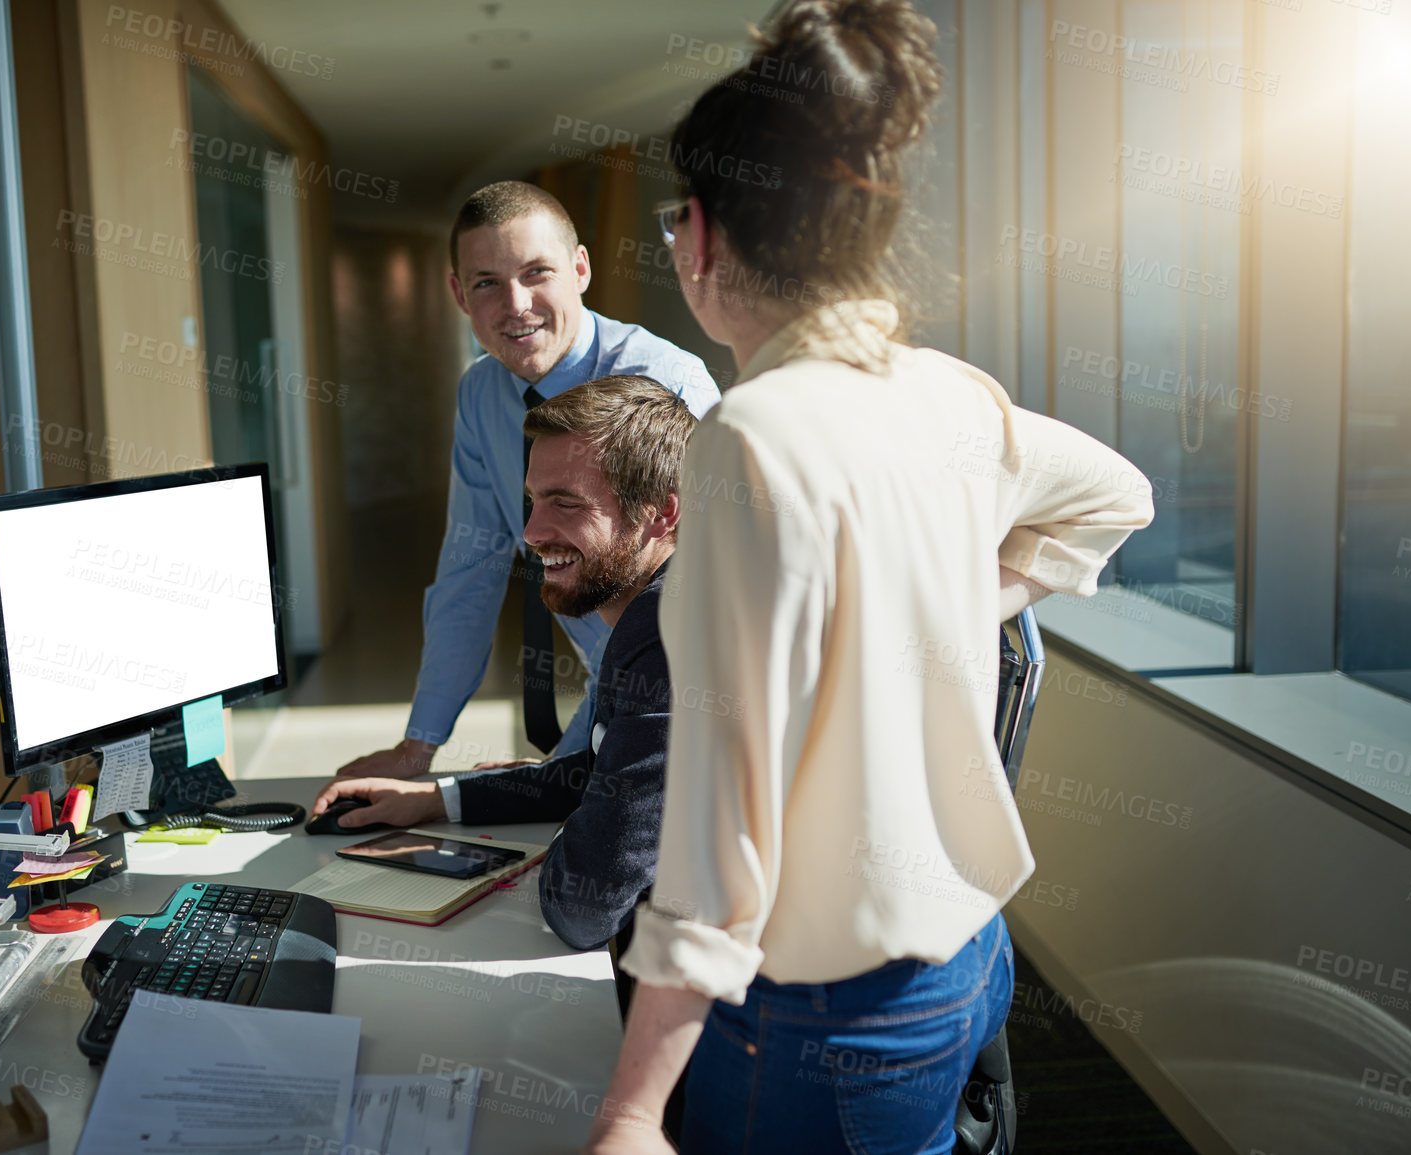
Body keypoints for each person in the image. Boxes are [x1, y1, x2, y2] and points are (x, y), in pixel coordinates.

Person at [581, 3, 1156, 1153]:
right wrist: (951, 609)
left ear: (697, 236)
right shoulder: (948, 393)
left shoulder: (751, 438)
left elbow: (717, 838)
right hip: (970, 958)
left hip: (825, 1014)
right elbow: (1117, 496)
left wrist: (634, 1110)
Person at [334, 182, 721, 782]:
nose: (515, 304)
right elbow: (471, 569)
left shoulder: (662, 384)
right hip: (607, 691)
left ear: (580, 268)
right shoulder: (481, 393)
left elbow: (700, 600)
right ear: (460, 295)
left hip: (680, 706)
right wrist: (419, 748)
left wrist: (568, 771)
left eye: (537, 272)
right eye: (487, 282)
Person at [314, 375, 694, 954]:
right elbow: (594, 776)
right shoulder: (665, 603)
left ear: (661, 513)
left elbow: (582, 907)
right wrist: (433, 799)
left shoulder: (667, 632)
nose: (532, 533)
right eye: (533, 500)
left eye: (566, 503)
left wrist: (577, 827)